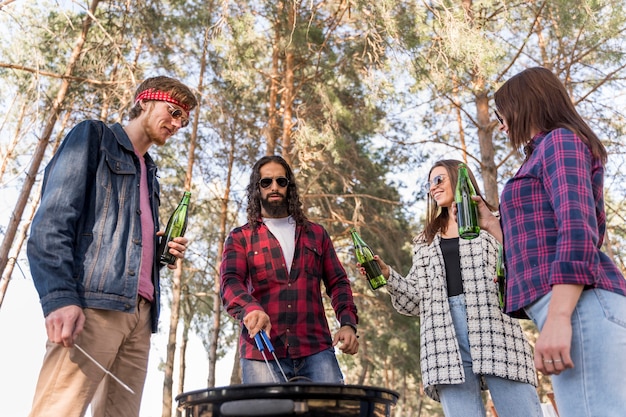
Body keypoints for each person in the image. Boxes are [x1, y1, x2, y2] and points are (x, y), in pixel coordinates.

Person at [26, 76, 197, 417]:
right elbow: (53, 220)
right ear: (145, 102)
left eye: (184, 121)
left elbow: (123, 240)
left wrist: (160, 248)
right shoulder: (95, 137)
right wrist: (59, 296)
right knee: (58, 411)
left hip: (141, 314)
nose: (178, 124)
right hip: (94, 305)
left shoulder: (149, 172)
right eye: (173, 112)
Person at [483, 66, 626, 417]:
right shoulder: (547, 150)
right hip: (572, 307)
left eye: (503, 115)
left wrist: (560, 317)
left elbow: (577, 230)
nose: (502, 126)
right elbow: (536, 243)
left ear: (524, 105)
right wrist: (493, 226)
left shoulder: (559, 142)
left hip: (580, 307)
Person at [364, 159, 541, 417]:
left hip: (495, 326)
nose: (433, 188)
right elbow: (415, 300)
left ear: (460, 180)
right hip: (442, 338)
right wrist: (389, 275)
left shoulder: (493, 222)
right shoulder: (424, 240)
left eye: (439, 180)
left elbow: (524, 263)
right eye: (430, 183)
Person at [220, 155, 359, 384]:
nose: (274, 187)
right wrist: (251, 309)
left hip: (316, 349)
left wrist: (347, 323)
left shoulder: (316, 234)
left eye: (280, 181)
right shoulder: (240, 237)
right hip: (261, 353)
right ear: (257, 188)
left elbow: (338, 283)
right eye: (266, 182)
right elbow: (230, 283)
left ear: (289, 187)